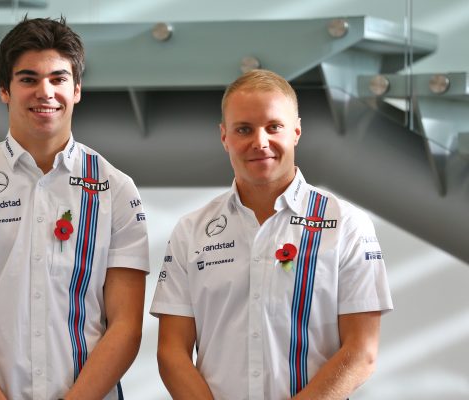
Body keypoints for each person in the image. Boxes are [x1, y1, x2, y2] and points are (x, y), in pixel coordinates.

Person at [0, 17, 149, 400]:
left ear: (77, 89)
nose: (45, 92)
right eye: (28, 79)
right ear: (4, 90)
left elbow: (126, 327)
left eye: (58, 79)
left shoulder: (117, 189)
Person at [150, 69, 393, 400]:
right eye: (244, 129)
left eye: (273, 127)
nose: (259, 142)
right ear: (224, 136)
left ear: (296, 131)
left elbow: (361, 353)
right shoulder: (190, 231)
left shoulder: (347, 225)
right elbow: (171, 353)